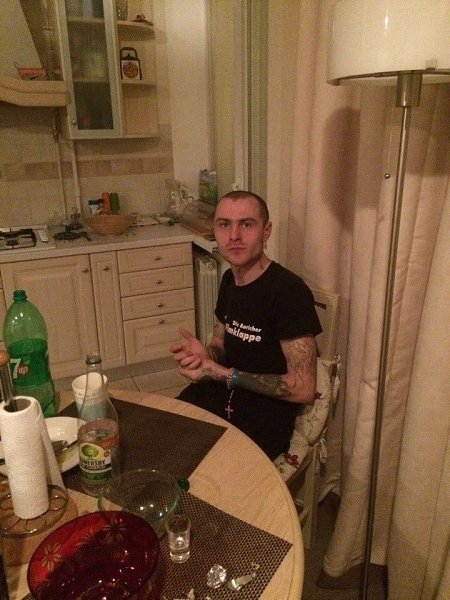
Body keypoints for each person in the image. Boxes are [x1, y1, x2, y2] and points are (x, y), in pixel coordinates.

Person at [170, 191, 322, 460]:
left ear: (266, 231)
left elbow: (302, 388)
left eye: (247, 224)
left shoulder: (288, 292)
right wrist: (207, 355)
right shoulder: (229, 279)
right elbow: (220, 341)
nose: (234, 236)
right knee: (160, 435)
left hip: (263, 414)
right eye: (224, 224)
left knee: (200, 466)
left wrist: (221, 373)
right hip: (222, 396)